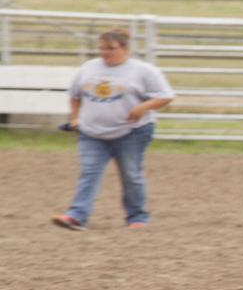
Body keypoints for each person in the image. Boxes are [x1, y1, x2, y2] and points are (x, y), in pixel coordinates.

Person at [52, 30, 176, 231]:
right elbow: (75, 95)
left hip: (131, 132)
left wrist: (142, 107)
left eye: (110, 48)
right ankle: (76, 216)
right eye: (101, 48)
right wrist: (75, 118)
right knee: (89, 172)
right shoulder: (88, 68)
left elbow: (166, 95)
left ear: (125, 49)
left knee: (130, 174)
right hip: (91, 132)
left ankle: (137, 217)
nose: (104, 52)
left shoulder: (143, 71)